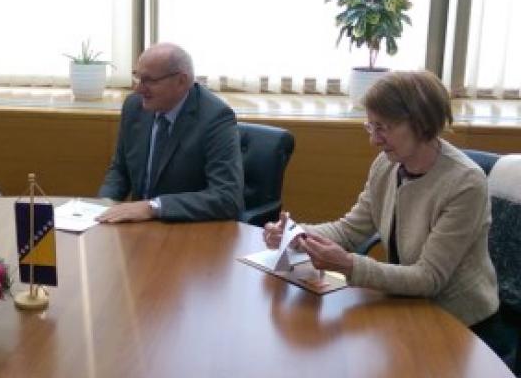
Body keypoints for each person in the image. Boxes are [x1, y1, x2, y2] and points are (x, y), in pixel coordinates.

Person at [263, 71, 514, 359]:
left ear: (420, 123)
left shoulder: (465, 183)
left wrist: (349, 265)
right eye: (370, 127)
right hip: (410, 305)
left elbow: (429, 278)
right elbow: (349, 230)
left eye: (382, 128)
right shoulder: (387, 164)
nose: (374, 140)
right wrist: (296, 233)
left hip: (462, 324)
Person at [97, 42, 243, 223]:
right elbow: (120, 170)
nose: (138, 89)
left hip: (190, 229)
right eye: (137, 77)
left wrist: (154, 207)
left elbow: (227, 197)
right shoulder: (134, 106)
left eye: (149, 81)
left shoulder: (215, 118)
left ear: (181, 81)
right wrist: (104, 205)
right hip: (140, 228)